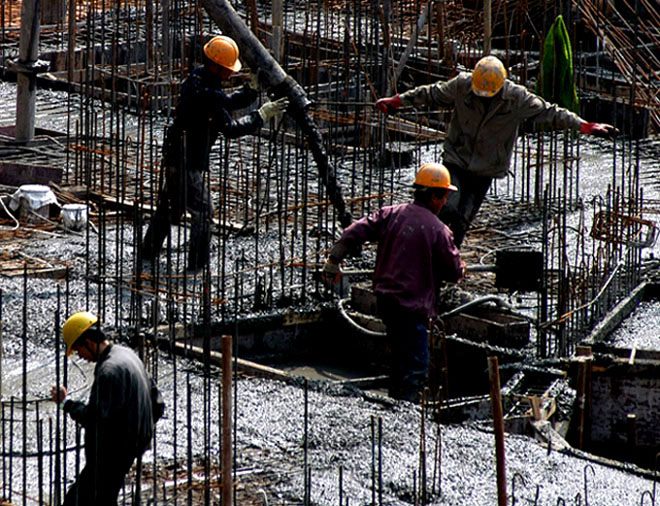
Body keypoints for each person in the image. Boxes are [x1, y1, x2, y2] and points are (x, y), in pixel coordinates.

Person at [375, 55, 617, 247]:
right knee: (447, 206)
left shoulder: (517, 98)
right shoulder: (462, 85)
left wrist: (586, 126)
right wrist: (396, 101)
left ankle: (446, 258)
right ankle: (425, 244)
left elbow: (552, 112)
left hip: (486, 169)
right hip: (456, 160)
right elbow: (430, 93)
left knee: (462, 220)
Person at [142, 34, 289, 271]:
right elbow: (229, 124)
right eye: (227, 69)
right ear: (215, 66)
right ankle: (196, 267)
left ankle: (147, 254)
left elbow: (224, 105)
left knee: (172, 207)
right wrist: (260, 115)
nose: (231, 73)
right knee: (203, 211)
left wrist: (250, 93)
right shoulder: (200, 87)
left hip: (178, 155)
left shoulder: (205, 81)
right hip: (186, 160)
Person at [322, 163, 464, 402]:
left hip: (386, 304)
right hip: (412, 310)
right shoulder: (439, 231)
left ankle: (393, 405)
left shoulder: (391, 214)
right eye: (444, 197)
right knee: (415, 369)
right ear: (434, 195)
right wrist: (461, 267)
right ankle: (405, 416)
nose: (444, 203)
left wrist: (333, 260)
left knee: (399, 361)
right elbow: (454, 273)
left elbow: (354, 231)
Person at [50, 311, 165, 506]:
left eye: (78, 350)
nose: (81, 357)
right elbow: (158, 404)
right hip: (130, 447)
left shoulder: (108, 371)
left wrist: (66, 403)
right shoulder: (127, 354)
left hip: (112, 454)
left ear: (89, 342)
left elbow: (94, 418)